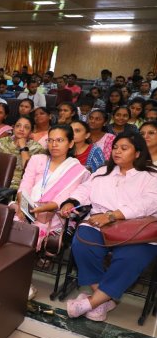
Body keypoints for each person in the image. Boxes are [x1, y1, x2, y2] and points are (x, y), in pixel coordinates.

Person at [62, 132, 157, 322]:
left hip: (137, 229)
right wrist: (72, 201)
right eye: (115, 147)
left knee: (130, 258)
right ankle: (104, 300)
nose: (117, 152)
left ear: (138, 153)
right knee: (82, 243)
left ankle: (91, 302)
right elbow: (85, 190)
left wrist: (113, 215)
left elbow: (148, 203)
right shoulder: (103, 171)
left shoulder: (150, 176)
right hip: (99, 223)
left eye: (124, 148)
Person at [15, 124, 89, 251]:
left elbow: (63, 198)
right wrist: (24, 205)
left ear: (70, 143)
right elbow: (25, 185)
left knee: (37, 227)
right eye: (50, 140)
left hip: (53, 214)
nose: (54, 144)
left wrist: (40, 209)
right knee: (11, 223)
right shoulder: (36, 159)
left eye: (60, 140)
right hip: (27, 207)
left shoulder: (77, 170)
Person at [0, 115, 45, 190]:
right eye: (18, 126)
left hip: (21, 187)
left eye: (26, 127)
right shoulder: (3, 142)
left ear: (31, 132)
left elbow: (30, 171)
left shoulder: (36, 148)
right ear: (13, 128)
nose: (21, 129)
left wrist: (23, 147)